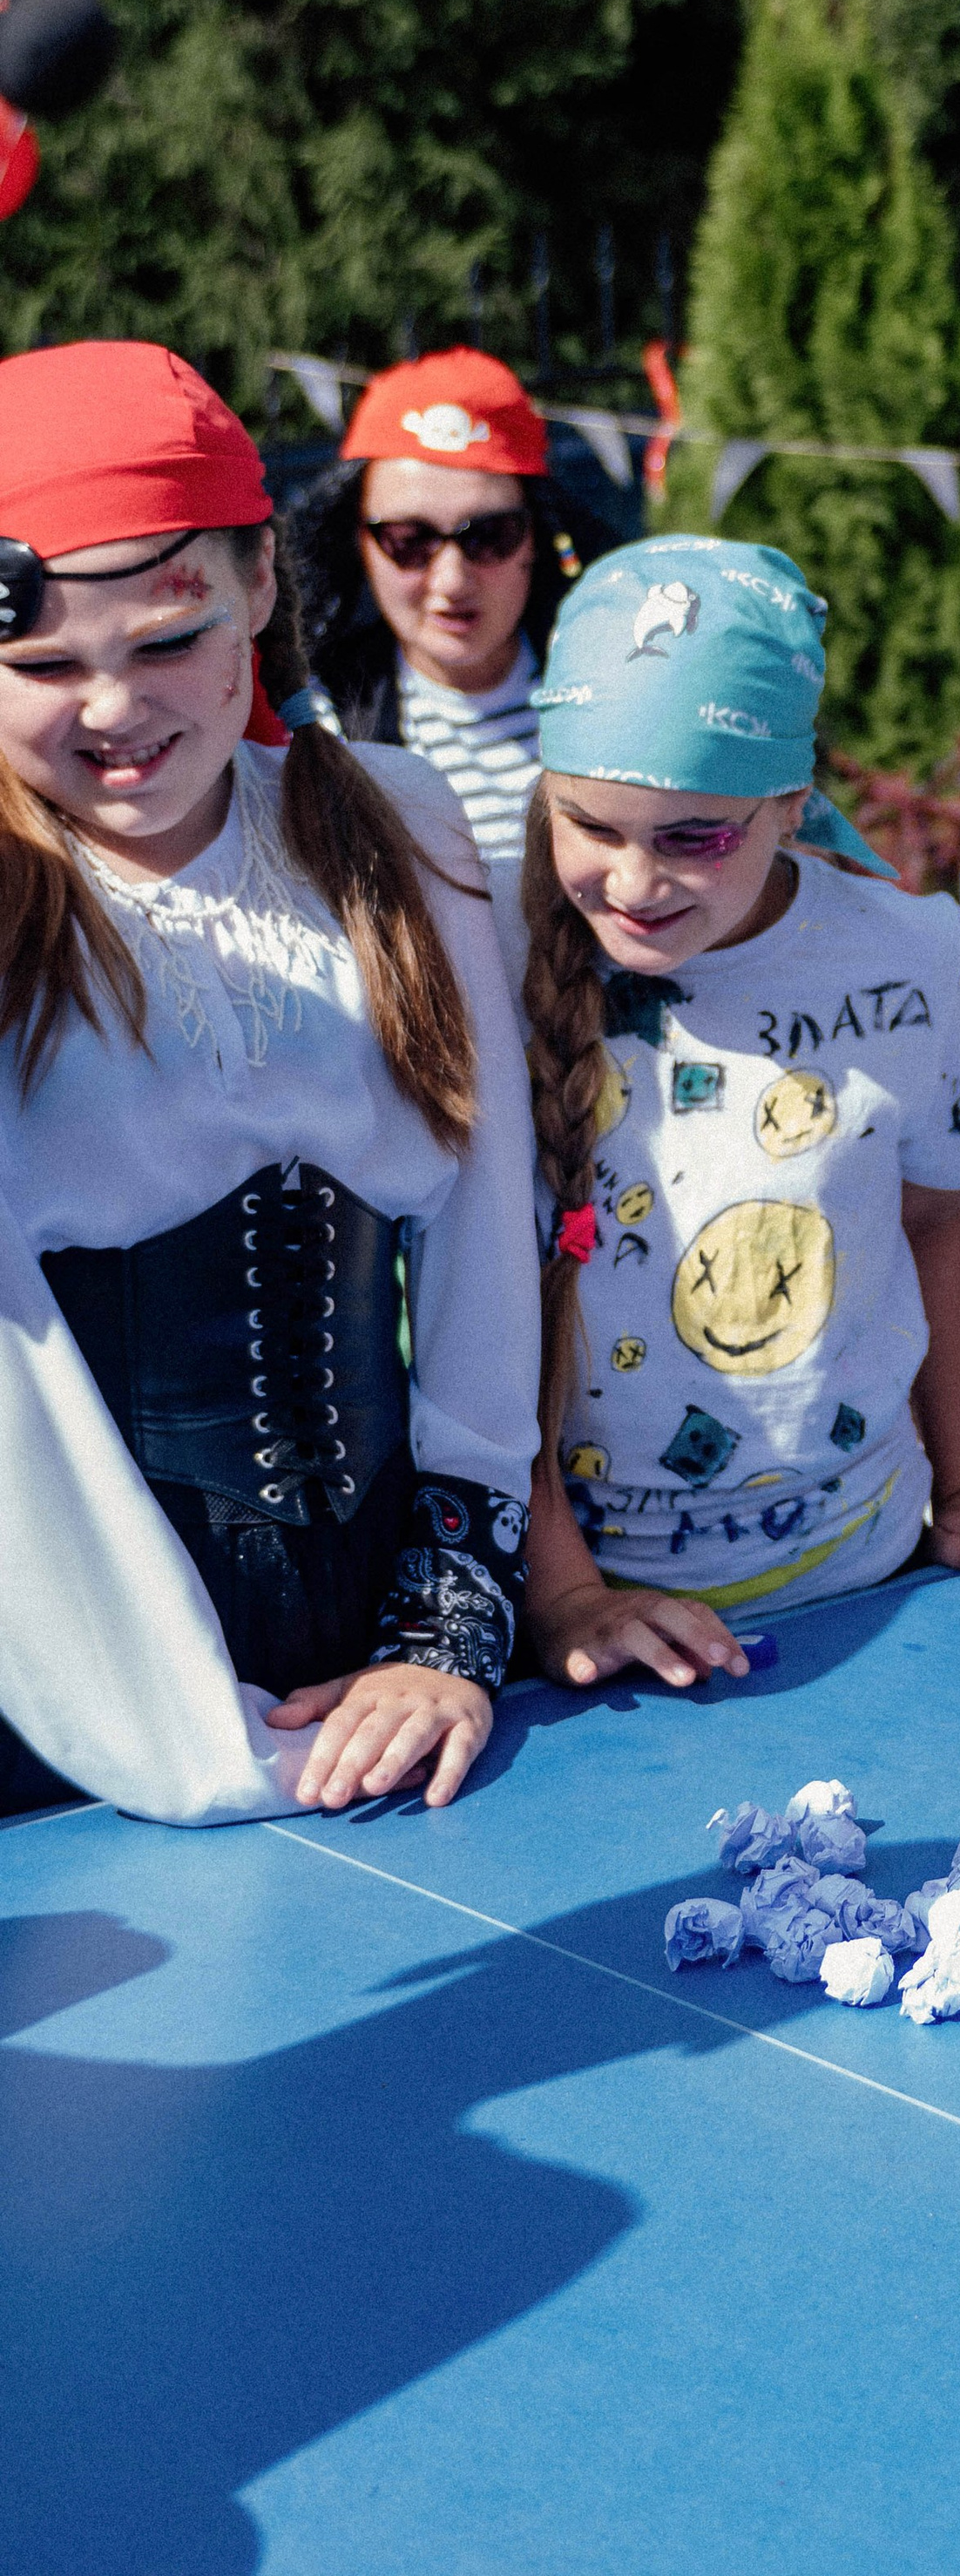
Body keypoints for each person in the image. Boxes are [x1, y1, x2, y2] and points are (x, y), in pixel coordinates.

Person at [0, 340, 542, 1820]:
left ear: (259, 583)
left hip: (387, 1671)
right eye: (45, 665)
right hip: (61, 1694)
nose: (115, 711)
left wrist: (446, 1629)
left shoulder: (403, 826)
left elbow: (491, 1245)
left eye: (168, 636)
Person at [516, 534, 960, 1693]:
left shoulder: (914, 958)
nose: (634, 885)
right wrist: (565, 1593)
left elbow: (936, 1224)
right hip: (585, 1625)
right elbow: (476, 1312)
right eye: (592, 828)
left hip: (869, 1585)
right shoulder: (496, 957)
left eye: (693, 838)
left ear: (791, 802)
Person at [287, 344, 612, 864]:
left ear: (539, 537)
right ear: (358, 545)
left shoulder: (613, 690)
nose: (452, 581)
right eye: (409, 540)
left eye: (489, 536)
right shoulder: (317, 721)